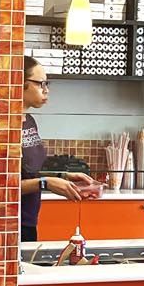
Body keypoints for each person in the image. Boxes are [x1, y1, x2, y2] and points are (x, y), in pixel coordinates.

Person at [20, 56, 98, 243]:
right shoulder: (2, 125)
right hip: (8, 222)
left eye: (47, 84)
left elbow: (30, 172)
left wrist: (63, 176)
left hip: (29, 221)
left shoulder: (29, 121)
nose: (46, 90)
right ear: (19, 83)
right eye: (40, 84)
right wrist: (46, 183)